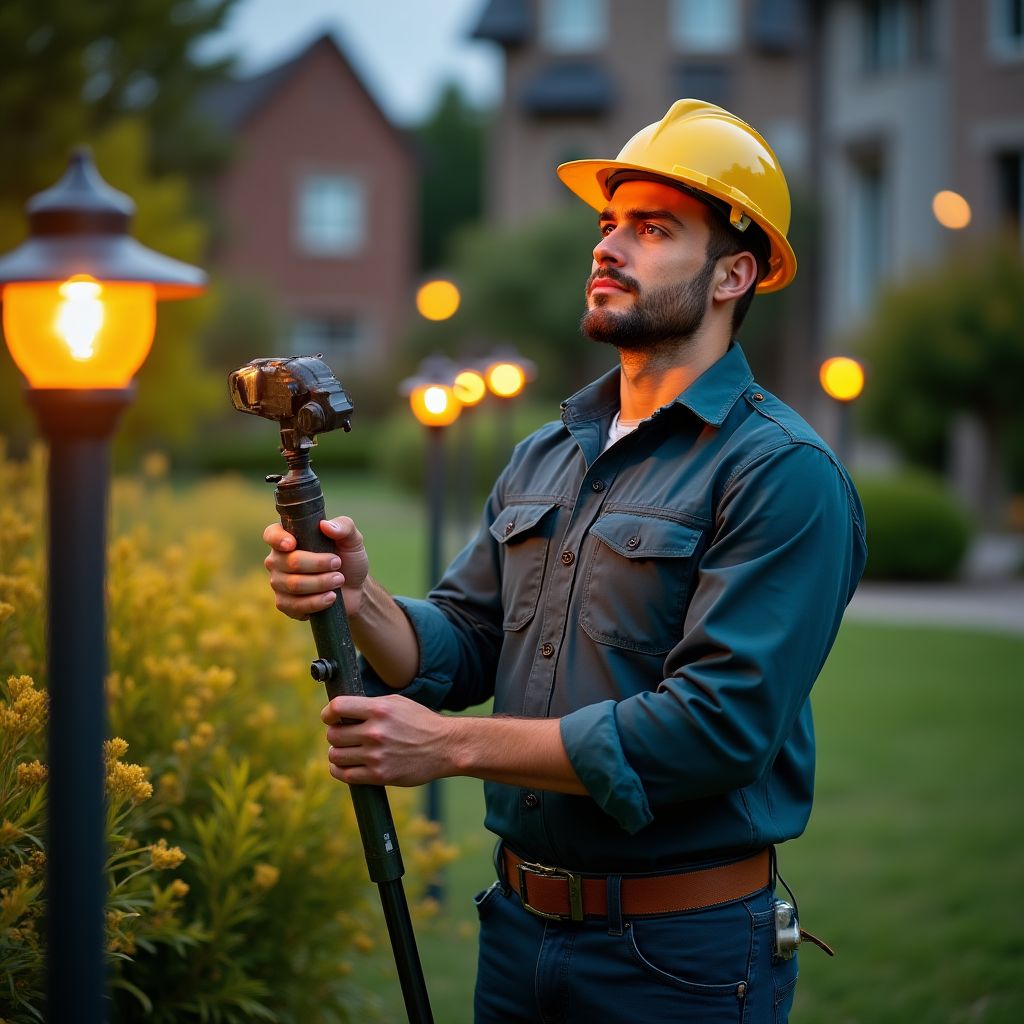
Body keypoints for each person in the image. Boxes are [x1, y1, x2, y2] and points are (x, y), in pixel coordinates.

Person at [263, 99, 867, 1023]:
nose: (608, 247)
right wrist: (363, 596)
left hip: (683, 960)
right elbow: (463, 643)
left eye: (653, 228)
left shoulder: (781, 474)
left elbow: (716, 726)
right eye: (607, 223)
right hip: (516, 932)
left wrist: (454, 747)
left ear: (733, 274)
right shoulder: (549, 452)